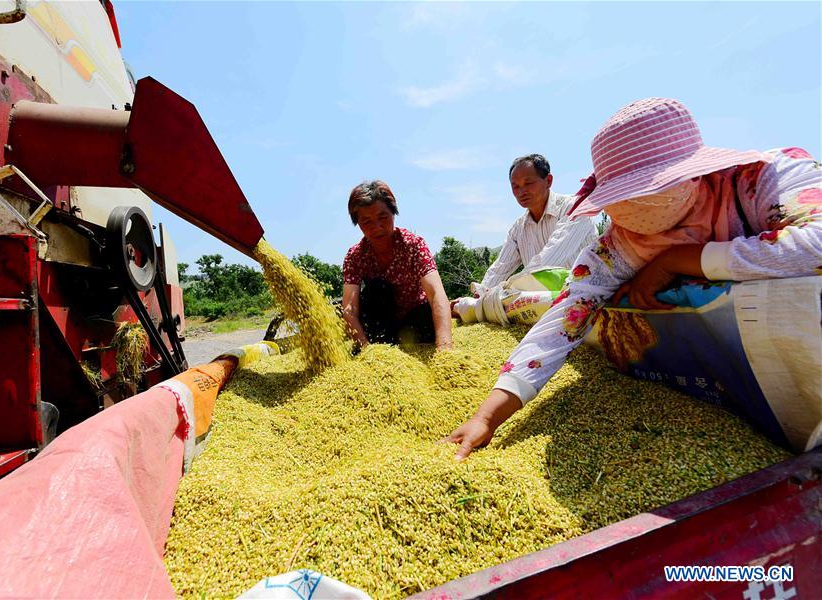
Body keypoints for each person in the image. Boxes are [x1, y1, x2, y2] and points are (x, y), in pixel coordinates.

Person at [447, 97, 822, 459]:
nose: (637, 209)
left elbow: (815, 244)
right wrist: (487, 416)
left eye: (650, 189)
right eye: (623, 199)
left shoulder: (766, 178)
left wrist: (678, 260)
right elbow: (566, 317)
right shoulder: (619, 245)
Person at [451, 154, 597, 324]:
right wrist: (479, 295)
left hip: (584, 299)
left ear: (548, 181)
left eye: (528, 183)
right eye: (515, 186)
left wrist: (496, 295)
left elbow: (547, 263)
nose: (521, 191)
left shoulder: (575, 208)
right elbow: (500, 268)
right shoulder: (519, 228)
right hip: (542, 305)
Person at [342, 180, 454, 351]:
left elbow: (436, 293)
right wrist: (367, 350)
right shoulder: (355, 256)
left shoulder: (413, 245)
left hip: (416, 320)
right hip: (382, 326)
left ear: (393, 214)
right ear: (358, 224)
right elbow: (349, 308)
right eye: (367, 222)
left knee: (422, 315)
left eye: (382, 217)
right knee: (377, 290)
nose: (377, 227)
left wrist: (445, 347)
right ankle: (379, 347)